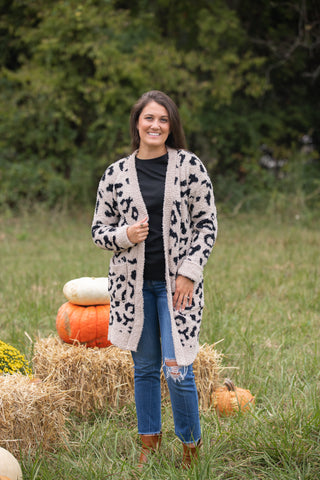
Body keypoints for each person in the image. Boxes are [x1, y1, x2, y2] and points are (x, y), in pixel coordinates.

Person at [92, 90, 217, 469]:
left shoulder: (190, 167)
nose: (155, 125)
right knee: (144, 368)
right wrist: (124, 235)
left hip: (176, 287)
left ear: (171, 126)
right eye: (149, 118)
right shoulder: (115, 174)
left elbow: (206, 224)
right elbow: (99, 230)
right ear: (137, 123)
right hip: (133, 289)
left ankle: (190, 449)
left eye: (163, 119)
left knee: (178, 366)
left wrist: (189, 273)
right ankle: (149, 443)